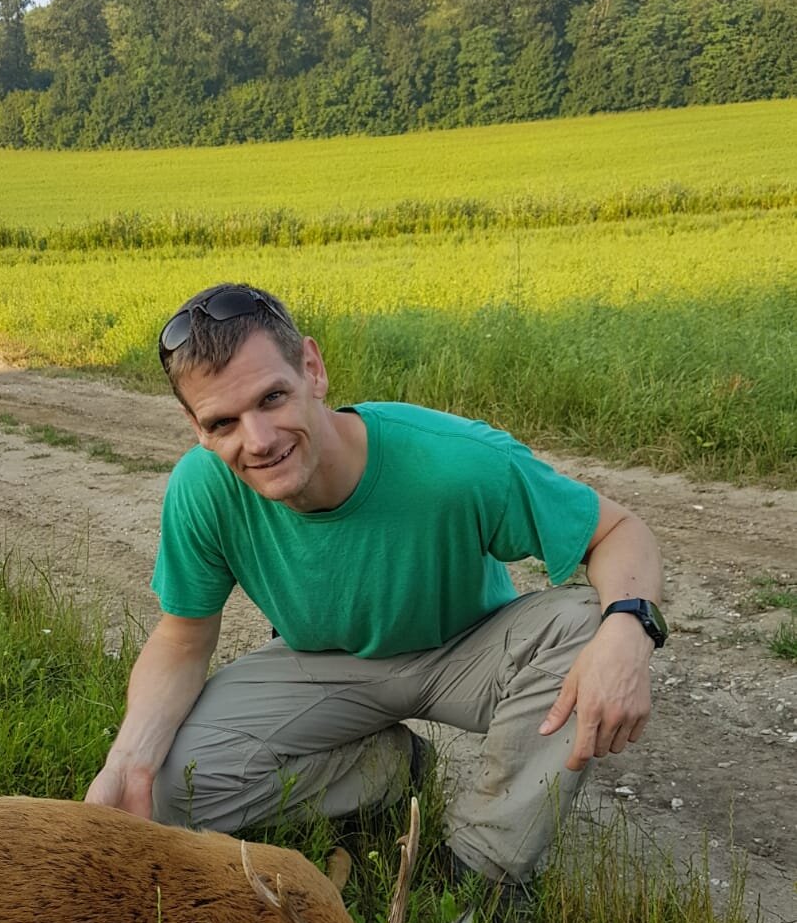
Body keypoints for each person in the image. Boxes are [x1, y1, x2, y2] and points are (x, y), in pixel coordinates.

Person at [86, 282, 666, 891]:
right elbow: (183, 640)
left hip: (467, 652)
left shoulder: (453, 461)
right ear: (195, 425)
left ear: (313, 368)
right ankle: (389, 767)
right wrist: (128, 761)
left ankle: (477, 873)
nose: (256, 440)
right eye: (223, 421)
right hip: (323, 664)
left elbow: (621, 531)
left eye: (272, 397)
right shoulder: (201, 488)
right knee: (175, 787)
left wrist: (630, 630)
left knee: (585, 626)